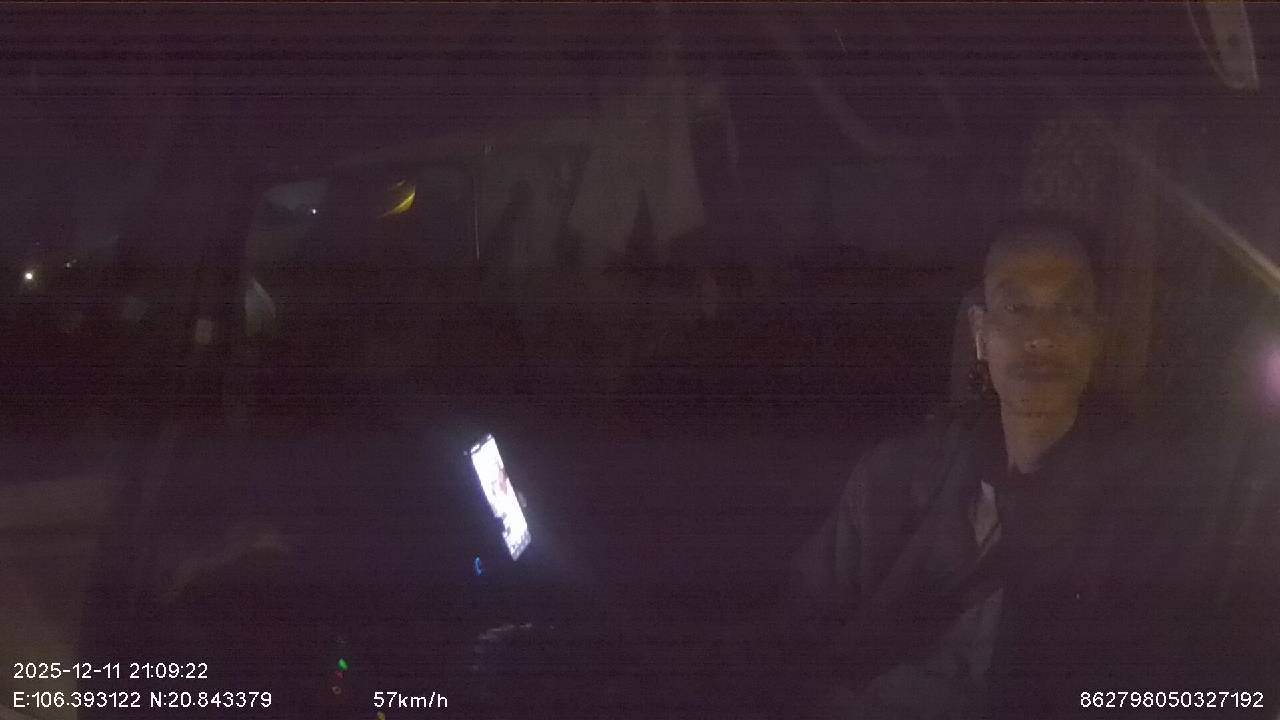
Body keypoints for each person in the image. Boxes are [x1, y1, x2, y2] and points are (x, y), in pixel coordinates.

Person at [778, 212, 1178, 719]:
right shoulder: (891, 480)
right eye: (1016, 307)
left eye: (1069, 309)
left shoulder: (1148, 513)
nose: (1041, 336)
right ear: (980, 332)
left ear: (1096, 337)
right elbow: (793, 628)